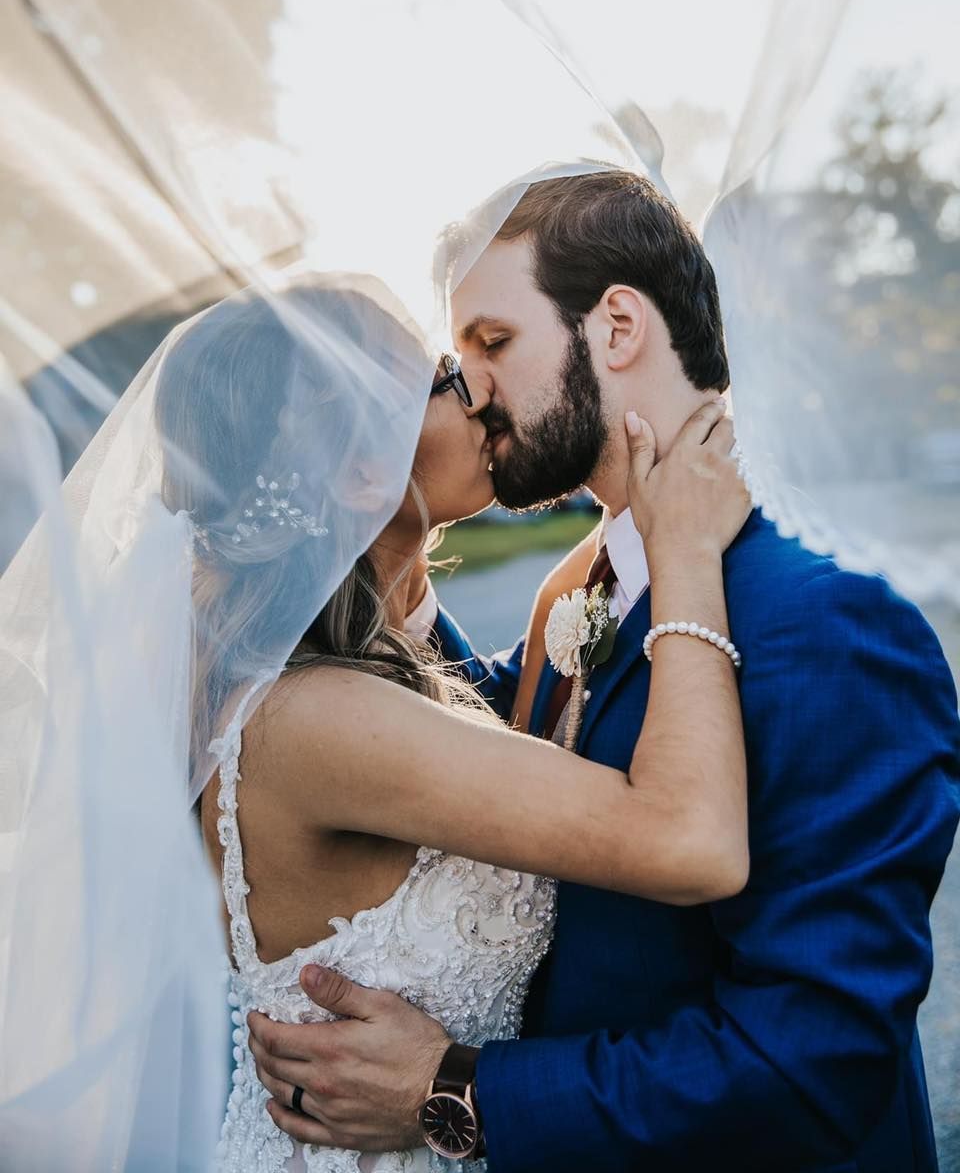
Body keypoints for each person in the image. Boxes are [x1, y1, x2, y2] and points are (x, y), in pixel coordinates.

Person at [252, 171, 960, 1173]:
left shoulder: (832, 632)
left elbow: (815, 1059)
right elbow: (475, 731)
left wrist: (454, 1089)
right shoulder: (573, 588)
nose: (475, 390)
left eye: (493, 344)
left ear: (616, 325)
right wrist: (383, 550)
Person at [154, 277, 751, 1172]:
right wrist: (686, 556)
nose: (478, 387)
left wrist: (623, 521)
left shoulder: (320, 668)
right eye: (443, 375)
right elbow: (692, 842)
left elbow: (468, 700)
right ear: (365, 468)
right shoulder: (319, 720)